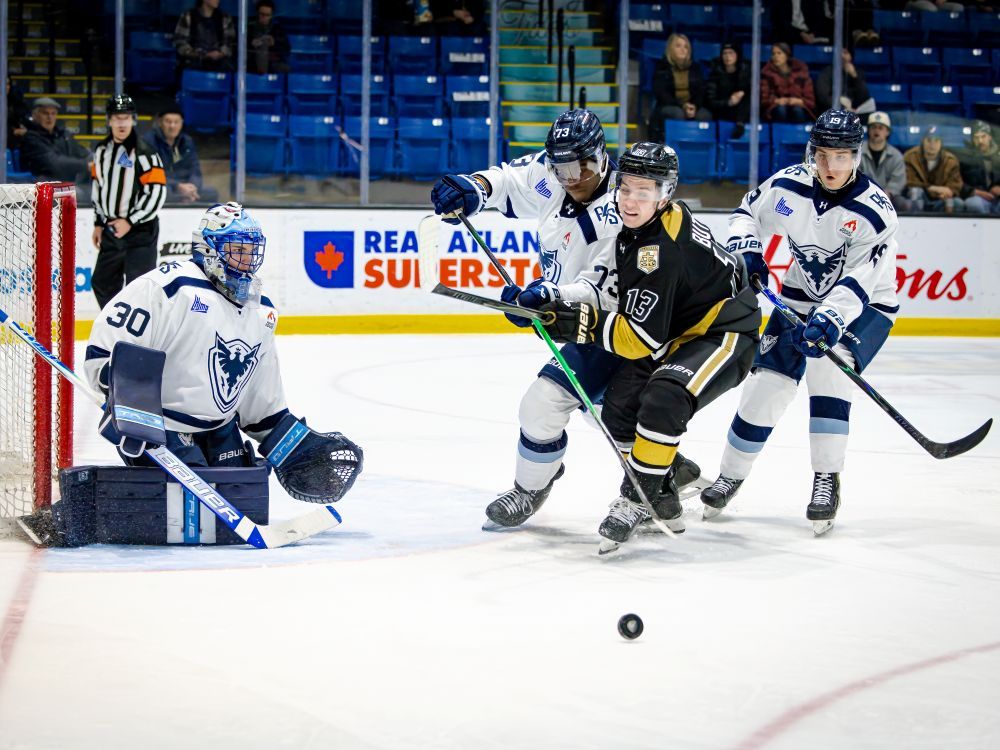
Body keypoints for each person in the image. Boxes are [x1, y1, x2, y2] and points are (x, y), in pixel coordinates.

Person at [430, 110, 706, 531]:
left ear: (601, 156)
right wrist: (473, 188)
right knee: (605, 414)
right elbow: (507, 180)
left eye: (582, 166)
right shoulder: (551, 172)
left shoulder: (626, 209)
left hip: (621, 325)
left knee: (547, 403)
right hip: (580, 318)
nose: (572, 177)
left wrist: (546, 297)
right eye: (562, 167)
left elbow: (600, 287)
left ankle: (551, 489)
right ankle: (668, 472)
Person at [535, 143, 761, 549]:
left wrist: (577, 324)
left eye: (644, 191)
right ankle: (665, 490)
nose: (630, 200)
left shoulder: (659, 251)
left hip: (726, 333)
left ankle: (637, 497)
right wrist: (559, 303)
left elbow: (638, 339)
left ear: (666, 193)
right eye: (625, 188)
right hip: (680, 329)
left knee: (665, 398)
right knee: (619, 406)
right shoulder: (640, 229)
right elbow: (619, 293)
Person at [701, 110, 901, 535]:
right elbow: (746, 212)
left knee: (829, 372)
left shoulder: (875, 213)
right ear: (812, 152)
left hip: (865, 306)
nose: (832, 167)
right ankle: (731, 475)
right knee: (764, 387)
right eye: (824, 155)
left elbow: (860, 281)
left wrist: (829, 318)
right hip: (800, 293)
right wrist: (749, 251)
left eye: (843, 156)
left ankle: (827, 478)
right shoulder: (788, 185)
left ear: (857, 156)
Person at [90, 94, 167, 310]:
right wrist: (98, 222)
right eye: (117, 118)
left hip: (140, 230)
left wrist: (130, 221)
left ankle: (138, 337)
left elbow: (157, 194)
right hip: (112, 228)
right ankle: (116, 327)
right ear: (109, 120)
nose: (122, 123)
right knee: (102, 282)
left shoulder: (145, 153)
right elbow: (99, 186)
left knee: (139, 288)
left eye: (126, 117)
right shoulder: (101, 151)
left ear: (133, 120)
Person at [142, 104, 219, 205]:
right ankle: (184, 198)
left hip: (184, 186)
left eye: (176, 122)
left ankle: (186, 197)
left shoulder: (187, 141)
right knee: (164, 193)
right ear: (160, 123)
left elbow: (195, 169)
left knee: (212, 193)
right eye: (168, 122)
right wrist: (177, 186)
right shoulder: (149, 141)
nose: (172, 126)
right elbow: (150, 172)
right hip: (163, 185)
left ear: (181, 123)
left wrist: (192, 187)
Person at [648, 33, 712, 141]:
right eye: (678, 46)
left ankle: (700, 149)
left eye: (686, 47)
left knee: (704, 115)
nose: (683, 50)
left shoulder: (695, 68)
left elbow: (701, 91)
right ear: (670, 49)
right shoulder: (662, 67)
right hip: (669, 105)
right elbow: (662, 94)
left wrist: (695, 106)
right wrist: (683, 106)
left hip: (691, 106)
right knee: (677, 113)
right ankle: (675, 148)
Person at [19, 97, 90, 183]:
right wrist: (85, 165)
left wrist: (95, 159)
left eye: (53, 113)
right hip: (40, 186)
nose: (50, 117)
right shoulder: (31, 138)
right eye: (45, 113)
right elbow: (54, 163)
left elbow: (81, 152)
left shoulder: (63, 135)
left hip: (64, 183)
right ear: (34, 115)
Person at [859, 111, 912, 211]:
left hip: (889, 197)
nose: (876, 131)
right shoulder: (858, 153)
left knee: (904, 204)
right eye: (873, 127)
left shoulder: (896, 155)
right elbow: (855, 177)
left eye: (880, 128)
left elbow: (898, 181)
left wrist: (887, 193)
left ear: (887, 132)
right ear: (869, 130)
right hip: (863, 195)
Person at [903, 127, 964, 213]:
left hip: (941, 199)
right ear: (923, 141)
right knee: (915, 192)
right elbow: (909, 181)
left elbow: (955, 185)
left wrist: (948, 192)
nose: (932, 145)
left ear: (941, 143)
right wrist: (933, 188)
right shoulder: (910, 157)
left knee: (957, 202)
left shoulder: (951, 160)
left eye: (936, 141)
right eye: (929, 140)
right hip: (921, 196)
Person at [174, 0, 236, 72]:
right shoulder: (188, 16)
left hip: (220, 65)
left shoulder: (225, 18)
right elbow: (180, 42)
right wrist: (200, 55)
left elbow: (230, 43)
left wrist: (221, 53)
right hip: (193, 63)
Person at [705, 42, 751, 139]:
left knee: (749, 95)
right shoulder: (715, 73)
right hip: (722, 110)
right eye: (725, 53)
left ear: (737, 55)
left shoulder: (745, 71)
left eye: (731, 53)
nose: (727, 56)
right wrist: (728, 102)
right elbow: (711, 101)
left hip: (742, 112)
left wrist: (742, 92)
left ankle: (740, 124)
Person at [761, 43, 815, 123]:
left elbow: (811, 101)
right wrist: (776, 101)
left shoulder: (801, 72)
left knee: (797, 110)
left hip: (799, 107)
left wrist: (799, 101)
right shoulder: (767, 74)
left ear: (787, 55)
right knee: (781, 110)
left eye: (779, 53)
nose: (776, 56)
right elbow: (764, 99)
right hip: (776, 108)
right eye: (773, 54)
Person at [816, 48, 875, 117]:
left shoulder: (858, 73)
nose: (842, 56)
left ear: (851, 56)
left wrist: (855, 76)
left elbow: (864, 97)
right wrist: (842, 107)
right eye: (839, 52)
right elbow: (822, 96)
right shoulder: (826, 72)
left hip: (855, 113)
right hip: (833, 112)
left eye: (845, 53)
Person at [957, 121, 1000, 214]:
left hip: (997, 199)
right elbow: (957, 183)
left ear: (990, 137)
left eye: (983, 136)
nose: (980, 141)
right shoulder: (965, 159)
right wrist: (975, 192)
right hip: (977, 197)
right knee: (974, 204)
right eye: (976, 137)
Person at [247, 0, 290, 75]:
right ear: (257, 14)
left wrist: (274, 43)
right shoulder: (249, 27)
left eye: (267, 15)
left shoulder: (277, 29)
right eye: (262, 14)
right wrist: (251, 43)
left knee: (284, 69)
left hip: (272, 62)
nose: (264, 17)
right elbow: (238, 46)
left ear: (272, 15)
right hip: (252, 62)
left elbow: (286, 49)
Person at [6, 76, 30, 151]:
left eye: (7, 84)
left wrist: (26, 130)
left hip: (14, 142)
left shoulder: (16, 102)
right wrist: (12, 131)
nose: (5, 87)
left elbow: (26, 119)